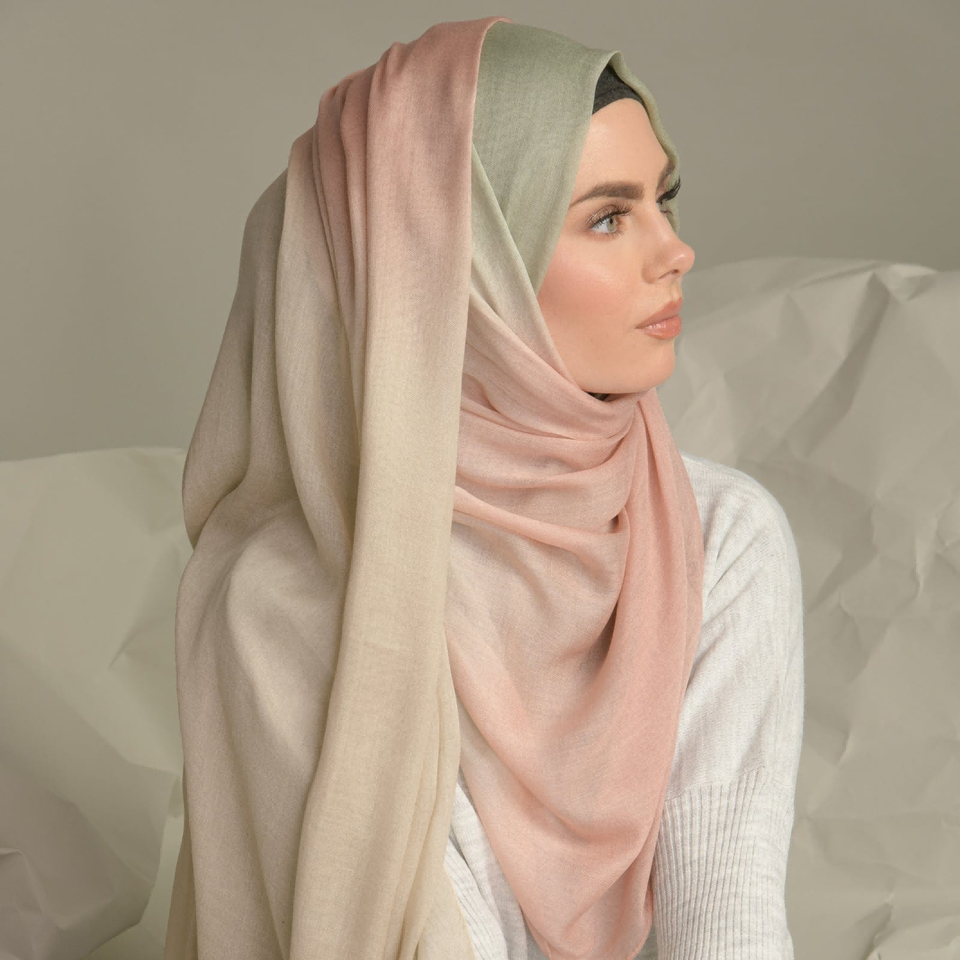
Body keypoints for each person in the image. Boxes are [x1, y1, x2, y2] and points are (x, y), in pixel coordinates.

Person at [164, 16, 804, 960]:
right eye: (608, 217)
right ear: (461, 274)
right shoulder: (291, 609)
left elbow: (729, 915)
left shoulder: (720, 537)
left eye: (664, 200)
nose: (675, 251)